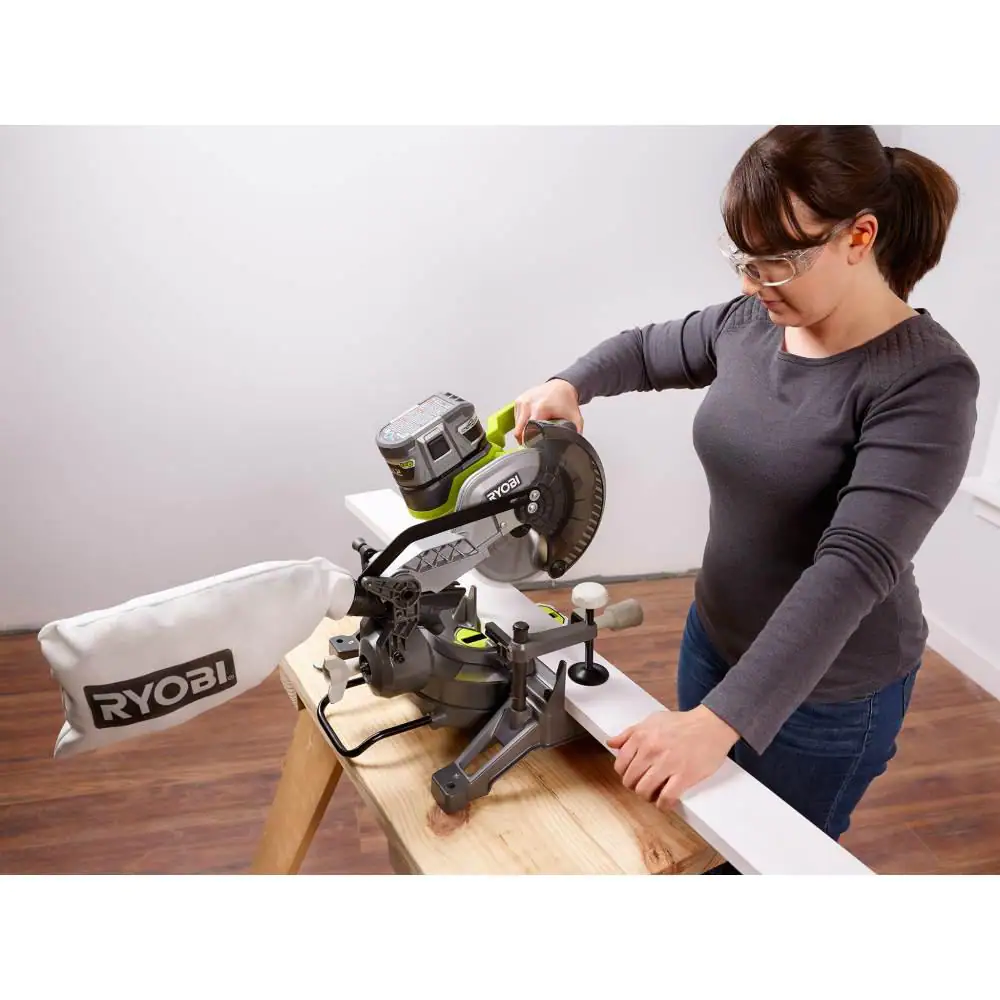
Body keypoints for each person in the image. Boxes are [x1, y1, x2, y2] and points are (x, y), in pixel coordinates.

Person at [512, 125, 980, 868]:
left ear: (859, 237)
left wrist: (718, 721)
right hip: (715, 642)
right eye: (744, 260)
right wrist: (569, 383)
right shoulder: (752, 323)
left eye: (776, 262)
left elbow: (854, 565)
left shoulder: (927, 382)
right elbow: (643, 349)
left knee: (765, 871)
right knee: (698, 847)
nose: (751, 284)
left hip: (831, 696)